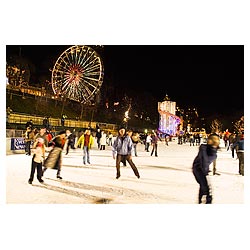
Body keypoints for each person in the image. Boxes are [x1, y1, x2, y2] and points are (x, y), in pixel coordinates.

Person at [192, 133, 220, 204]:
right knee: (205, 186)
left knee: (205, 187)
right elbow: (203, 160)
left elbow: (205, 161)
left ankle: (203, 201)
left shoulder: (212, 152)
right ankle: (203, 201)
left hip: (202, 169)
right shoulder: (204, 148)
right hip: (198, 169)